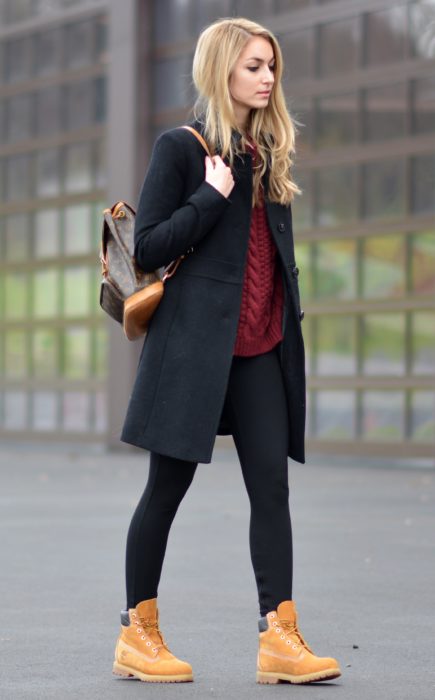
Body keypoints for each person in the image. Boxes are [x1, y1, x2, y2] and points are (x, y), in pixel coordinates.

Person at [112, 16, 341, 686]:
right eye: (253, 66)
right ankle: (138, 632)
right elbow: (147, 246)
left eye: (271, 66)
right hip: (192, 350)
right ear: (222, 71)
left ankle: (280, 638)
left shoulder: (270, 153)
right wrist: (210, 196)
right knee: (166, 488)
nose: (267, 77)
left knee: (271, 486)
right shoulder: (181, 148)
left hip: (261, 347)